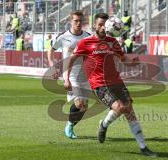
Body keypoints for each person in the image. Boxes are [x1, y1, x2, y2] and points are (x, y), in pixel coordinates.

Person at [65, 13, 157, 157]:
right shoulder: (85, 43)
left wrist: (131, 62)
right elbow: (71, 59)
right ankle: (103, 126)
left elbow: (122, 58)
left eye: (104, 24)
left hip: (116, 81)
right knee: (119, 107)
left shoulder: (113, 41)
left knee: (129, 111)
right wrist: (66, 79)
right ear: (94, 25)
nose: (102, 27)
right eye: (100, 24)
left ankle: (143, 147)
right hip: (99, 84)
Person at [47, 10, 91, 139]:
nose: (78, 23)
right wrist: (52, 66)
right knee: (79, 103)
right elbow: (51, 50)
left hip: (85, 76)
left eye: (80, 21)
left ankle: (70, 124)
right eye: (76, 21)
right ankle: (69, 126)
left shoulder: (88, 37)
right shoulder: (63, 36)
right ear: (71, 22)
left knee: (83, 108)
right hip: (70, 75)